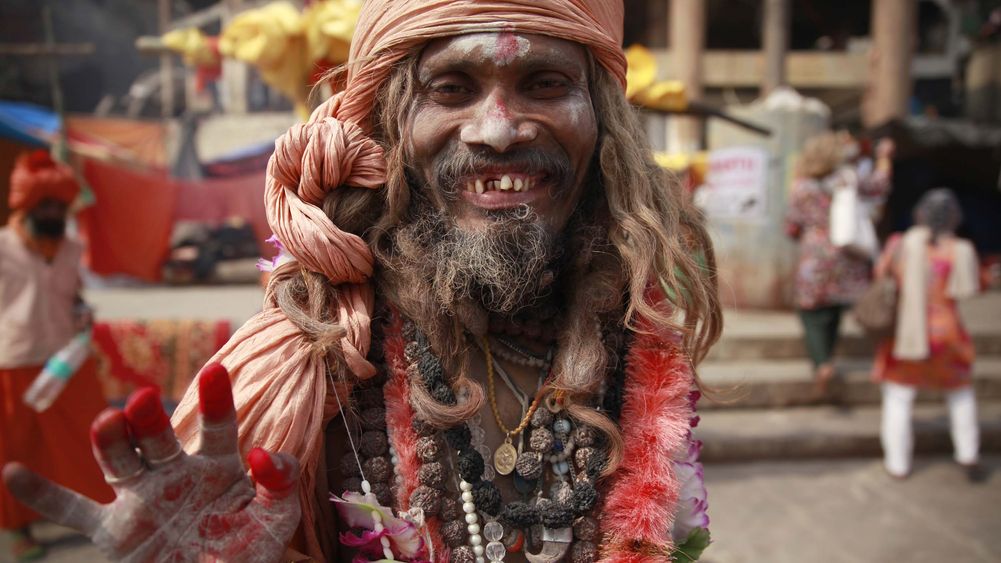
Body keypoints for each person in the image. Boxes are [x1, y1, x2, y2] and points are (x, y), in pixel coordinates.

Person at [2, 2, 721, 561]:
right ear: (386, 127)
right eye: (451, 87)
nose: (498, 130)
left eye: (544, 83)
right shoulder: (299, 368)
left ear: (605, 125)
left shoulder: (631, 344)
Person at [0, 150, 114, 560]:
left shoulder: (69, 248)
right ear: (27, 204)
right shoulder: (3, 247)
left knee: (91, 439)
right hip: (14, 362)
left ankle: (110, 515)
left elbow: (74, 296)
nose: (52, 211)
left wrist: (82, 312)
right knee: (13, 449)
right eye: (44, 204)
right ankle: (14, 528)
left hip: (67, 361)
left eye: (58, 205)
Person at [873, 189, 983, 481]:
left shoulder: (900, 244)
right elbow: (972, 288)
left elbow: (881, 274)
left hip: (908, 333)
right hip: (948, 331)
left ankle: (898, 464)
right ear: (955, 217)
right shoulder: (960, 250)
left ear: (919, 214)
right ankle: (968, 454)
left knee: (898, 398)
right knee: (960, 394)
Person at [785, 131, 892, 393]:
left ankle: (822, 363)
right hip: (848, 253)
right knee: (834, 308)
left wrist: (807, 232)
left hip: (816, 256)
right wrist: (884, 158)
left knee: (810, 309)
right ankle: (828, 357)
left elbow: (791, 226)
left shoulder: (801, 187)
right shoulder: (849, 179)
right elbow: (880, 186)